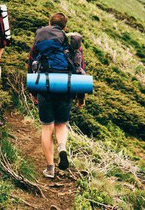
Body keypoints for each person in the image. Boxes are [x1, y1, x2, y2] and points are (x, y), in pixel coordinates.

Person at [27, 13, 86, 179]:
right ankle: (62, 148)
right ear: (65, 27)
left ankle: (50, 168)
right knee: (61, 125)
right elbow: (79, 68)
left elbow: (31, 65)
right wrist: (80, 96)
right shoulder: (72, 43)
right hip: (66, 87)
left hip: (45, 86)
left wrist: (33, 92)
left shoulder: (40, 40)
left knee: (47, 127)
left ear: (49, 24)